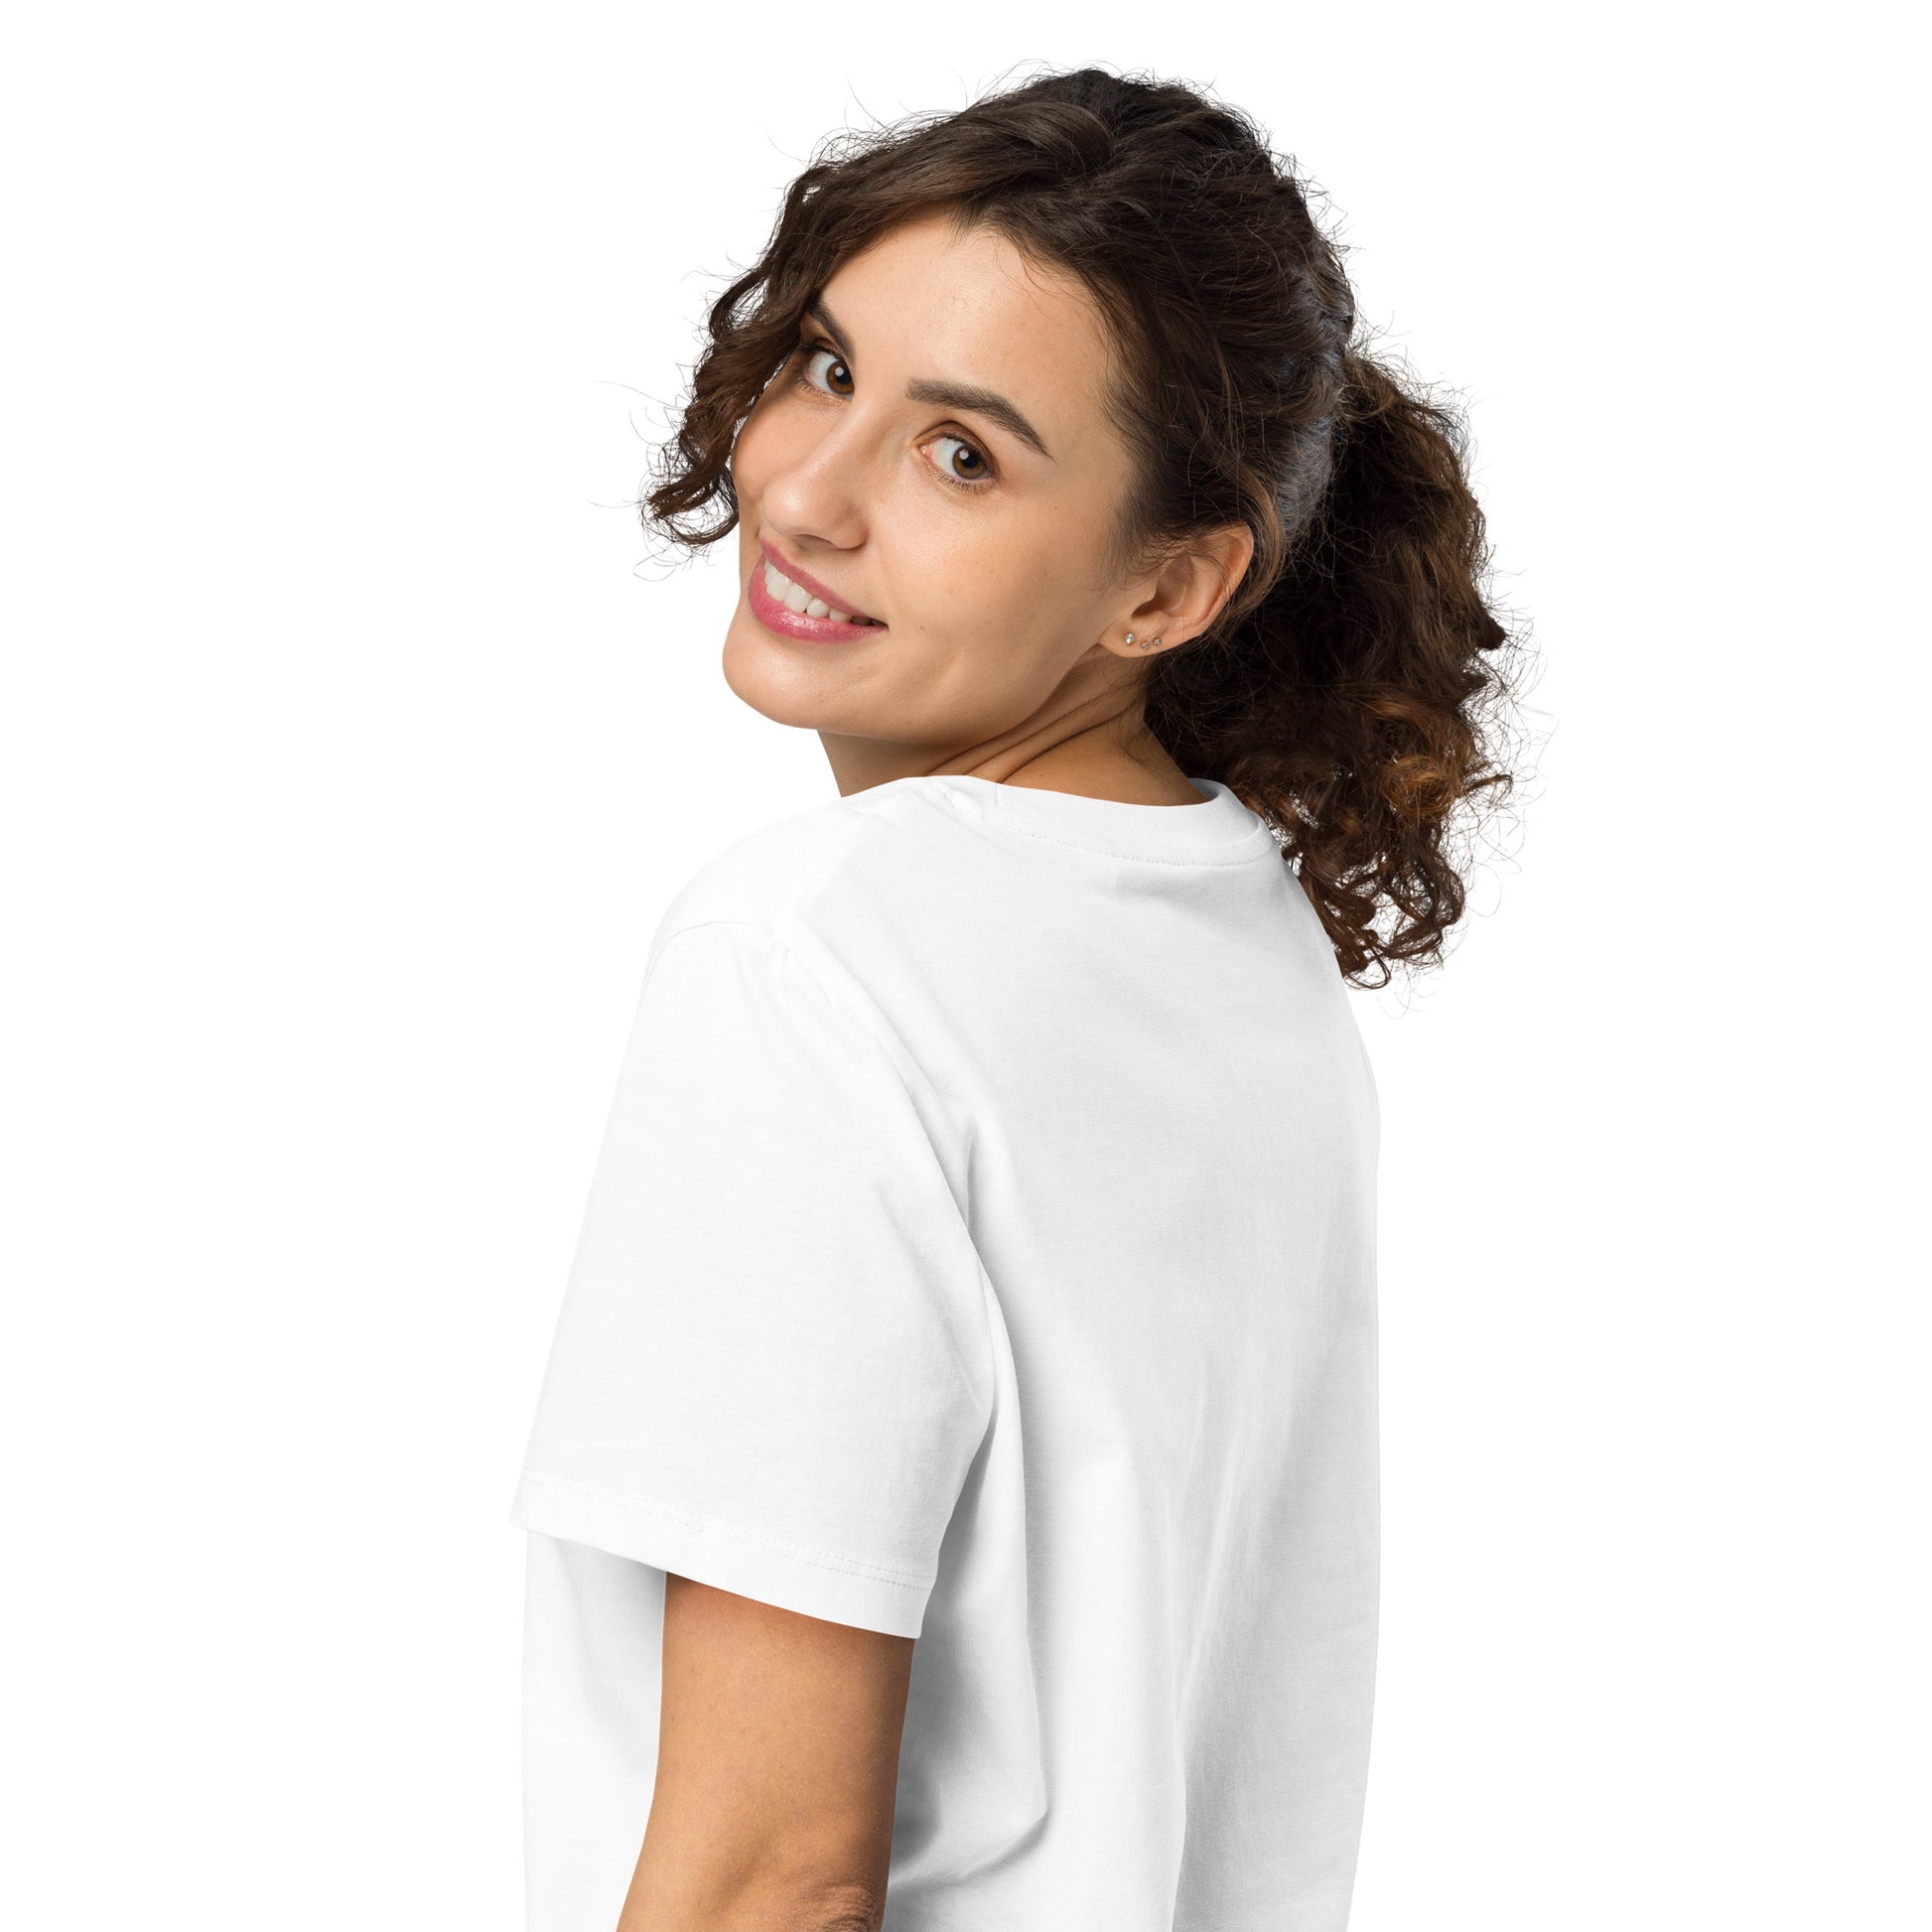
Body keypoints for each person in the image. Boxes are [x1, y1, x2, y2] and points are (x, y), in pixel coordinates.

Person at [509, 64, 1520, 1932]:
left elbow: (766, 1876)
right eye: (823, 367)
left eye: (960, 452)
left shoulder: (817, 950)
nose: (805, 491)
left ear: (1169, 586)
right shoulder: (1241, 950)